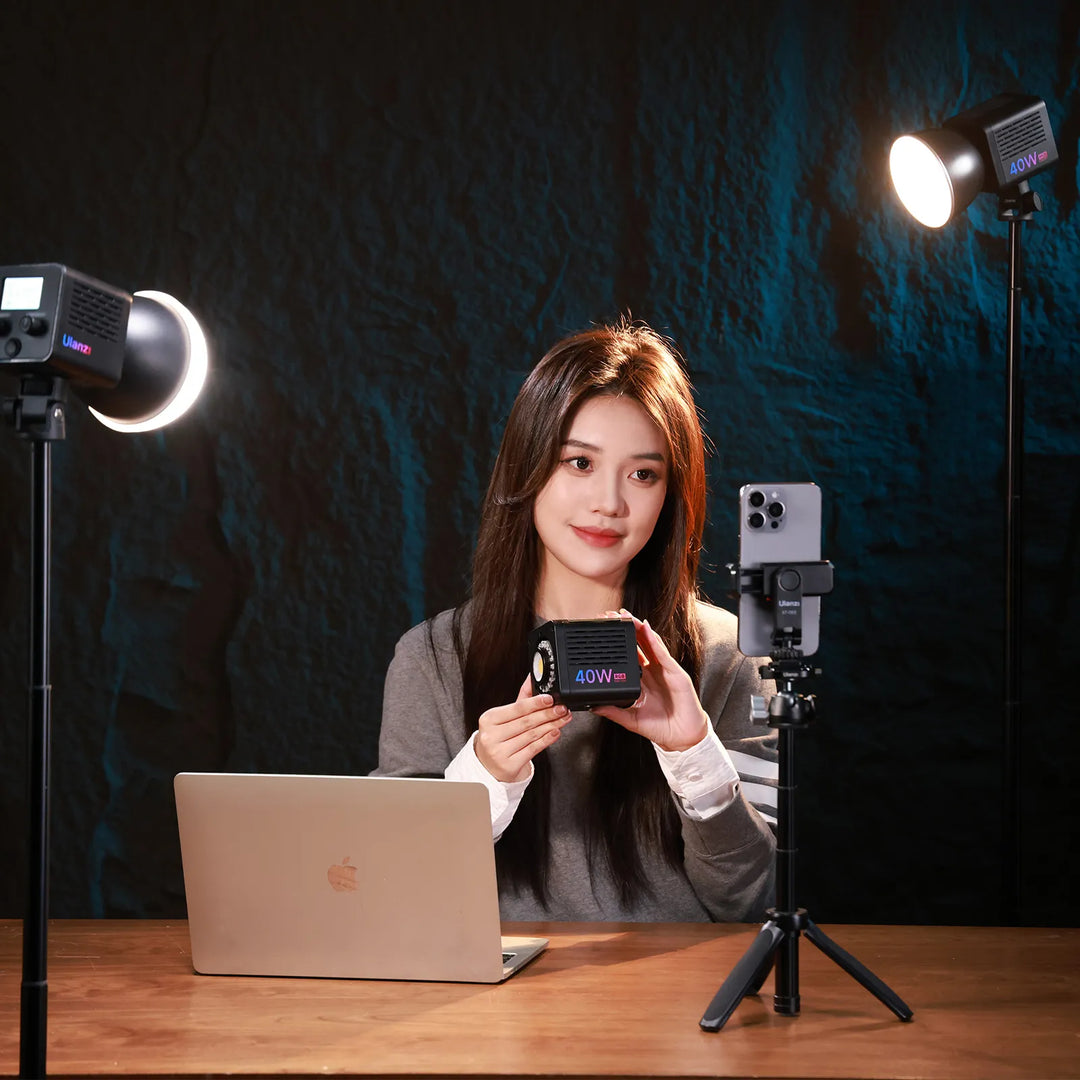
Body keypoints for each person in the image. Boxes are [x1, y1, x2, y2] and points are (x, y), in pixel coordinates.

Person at [374, 320, 778, 921]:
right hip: (491, 1003)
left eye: (643, 474)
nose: (609, 503)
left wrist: (694, 753)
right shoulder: (434, 656)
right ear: (528, 467)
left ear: (671, 494)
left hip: (679, 1004)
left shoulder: (730, 655)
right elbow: (388, 894)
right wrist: (485, 776)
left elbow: (756, 904)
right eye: (579, 462)